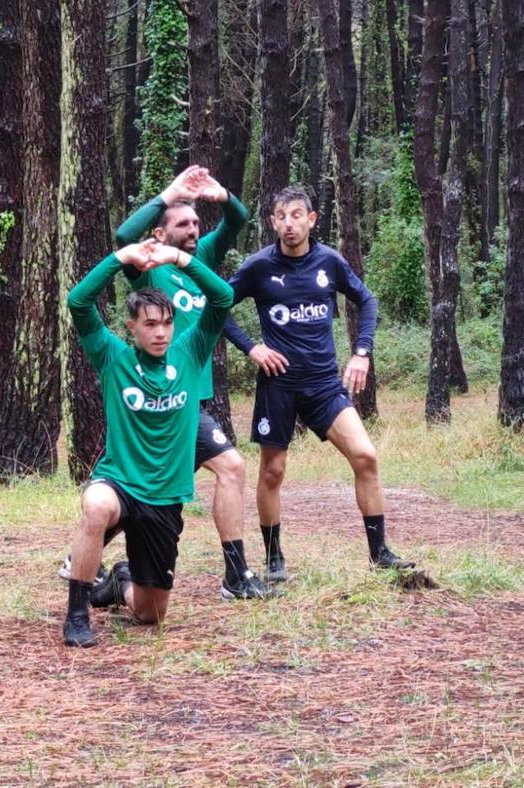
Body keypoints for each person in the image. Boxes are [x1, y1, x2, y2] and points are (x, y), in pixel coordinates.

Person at [223, 185, 414, 582]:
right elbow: (217, 305)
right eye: (281, 216)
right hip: (278, 384)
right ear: (272, 222)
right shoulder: (258, 267)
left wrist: (362, 351)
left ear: (311, 220)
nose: (289, 224)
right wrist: (251, 348)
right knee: (273, 471)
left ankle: (379, 554)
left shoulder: (330, 262)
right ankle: (275, 558)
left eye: (297, 215)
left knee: (365, 456)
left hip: (324, 384)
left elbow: (367, 300)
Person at [62, 236, 233, 648]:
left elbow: (223, 297)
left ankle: (121, 583)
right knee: (96, 507)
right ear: (132, 327)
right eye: (150, 324)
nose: (160, 333)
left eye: (166, 323)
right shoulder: (113, 357)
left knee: (150, 614)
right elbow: (79, 302)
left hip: (165, 496)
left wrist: (177, 257)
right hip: (120, 482)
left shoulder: (190, 352)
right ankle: (77, 614)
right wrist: (122, 256)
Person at [113, 165, 268, 600]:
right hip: (153, 402)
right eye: (184, 224)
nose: (195, 230)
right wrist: (170, 194)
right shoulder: (150, 269)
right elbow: (124, 237)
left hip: (190, 402)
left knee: (228, 468)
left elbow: (239, 220)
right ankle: (89, 554)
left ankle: (235, 575)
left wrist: (220, 195)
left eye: (198, 223)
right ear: (161, 235)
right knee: (140, 487)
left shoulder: (203, 262)